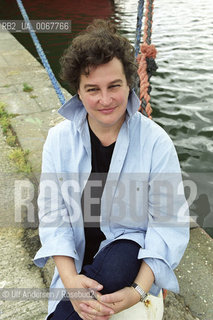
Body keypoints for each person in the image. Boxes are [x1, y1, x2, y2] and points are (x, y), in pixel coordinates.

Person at [34, 19, 189, 320]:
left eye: (114, 86)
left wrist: (138, 291)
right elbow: (53, 216)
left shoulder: (156, 142)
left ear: (129, 83)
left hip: (131, 264)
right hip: (78, 266)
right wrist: (69, 281)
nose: (105, 100)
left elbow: (167, 224)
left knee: (119, 263)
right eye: (92, 89)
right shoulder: (58, 141)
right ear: (77, 91)